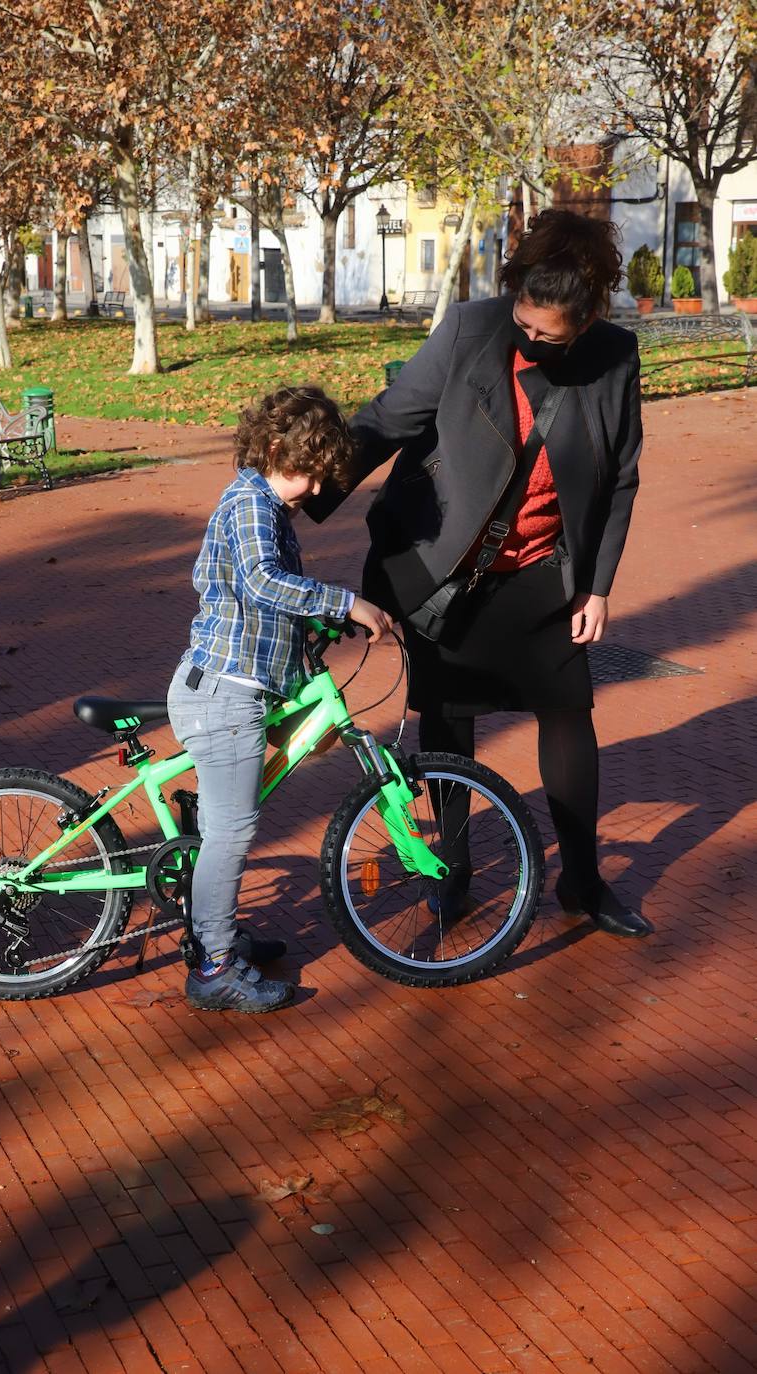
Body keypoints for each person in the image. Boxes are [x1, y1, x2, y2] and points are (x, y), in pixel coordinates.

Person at [306, 208, 652, 939]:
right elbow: (388, 419)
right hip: (448, 568)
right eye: (523, 322)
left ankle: (583, 883)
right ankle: (454, 875)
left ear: (586, 320)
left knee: (568, 713)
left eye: (546, 334)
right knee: (447, 718)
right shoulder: (471, 329)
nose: (528, 338)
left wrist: (598, 585)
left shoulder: (615, 357)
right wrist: (301, 490)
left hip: (542, 569)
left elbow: (620, 477)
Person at [166, 386, 394, 1013]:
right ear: (273, 450)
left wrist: (319, 626)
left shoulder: (264, 504)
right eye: (310, 474)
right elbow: (263, 582)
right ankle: (213, 965)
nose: (317, 492)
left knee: (222, 824)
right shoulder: (250, 504)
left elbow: (264, 602)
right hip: (225, 694)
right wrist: (343, 601)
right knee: (233, 832)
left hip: (234, 685)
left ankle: (216, 930)